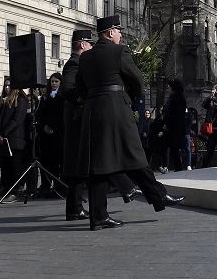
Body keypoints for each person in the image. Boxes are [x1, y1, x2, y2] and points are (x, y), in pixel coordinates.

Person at [76, 15, 183, 230]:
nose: (121, 34)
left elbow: (80, 88)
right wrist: (129, 98)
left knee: (99, 164)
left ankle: (98, 217)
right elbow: (137, 80)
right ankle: (159, 197)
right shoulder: (119, 51)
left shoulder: (85, 58)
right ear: (110, 33)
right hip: (117, 108)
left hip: (93, 111)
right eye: (118, 31)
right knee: (135, 155)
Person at [61, 28, 93, 220]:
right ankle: (75, 208)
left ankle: (74, 208)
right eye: (90, 44)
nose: (91, 47)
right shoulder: (75, 63)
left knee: (77, 165)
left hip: (75, 118)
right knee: (77, 164)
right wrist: (85, 99)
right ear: (82, 45)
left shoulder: (77, 62)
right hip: (76, 118)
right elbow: (69, 89)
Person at [0, 83, 27, 202]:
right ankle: (6, 190)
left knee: (15, 166)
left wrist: (4, 133)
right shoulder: (1, 102)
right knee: (5, 167)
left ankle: (15, 191)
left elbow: (17, 119)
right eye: (5, 85)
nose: (7, 88)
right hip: (2, 141)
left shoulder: (20, 100)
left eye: (10, 86)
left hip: (14, 139)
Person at [35, 72, 65, 196]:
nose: (53, 84)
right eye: (52, 81)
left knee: (59, 162)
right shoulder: (45, 97)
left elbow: (60, 114)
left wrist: (51, 126)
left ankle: (59, 187)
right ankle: (46, 186)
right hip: (46, 135)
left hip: (58, 134)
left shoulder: (62, 96)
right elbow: (40, 115)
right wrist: (44, 127)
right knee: (47, 162)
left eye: (56, 81)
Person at [162, 79, 188, 171]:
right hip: (172, 128)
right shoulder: (172, 98)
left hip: (175, 128)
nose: (168, 89)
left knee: (175, 149)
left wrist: (168, 125)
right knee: (173, 150)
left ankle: (178, 168)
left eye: (170, 87)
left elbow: (176, 115)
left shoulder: (178, 99)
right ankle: (175, 167)